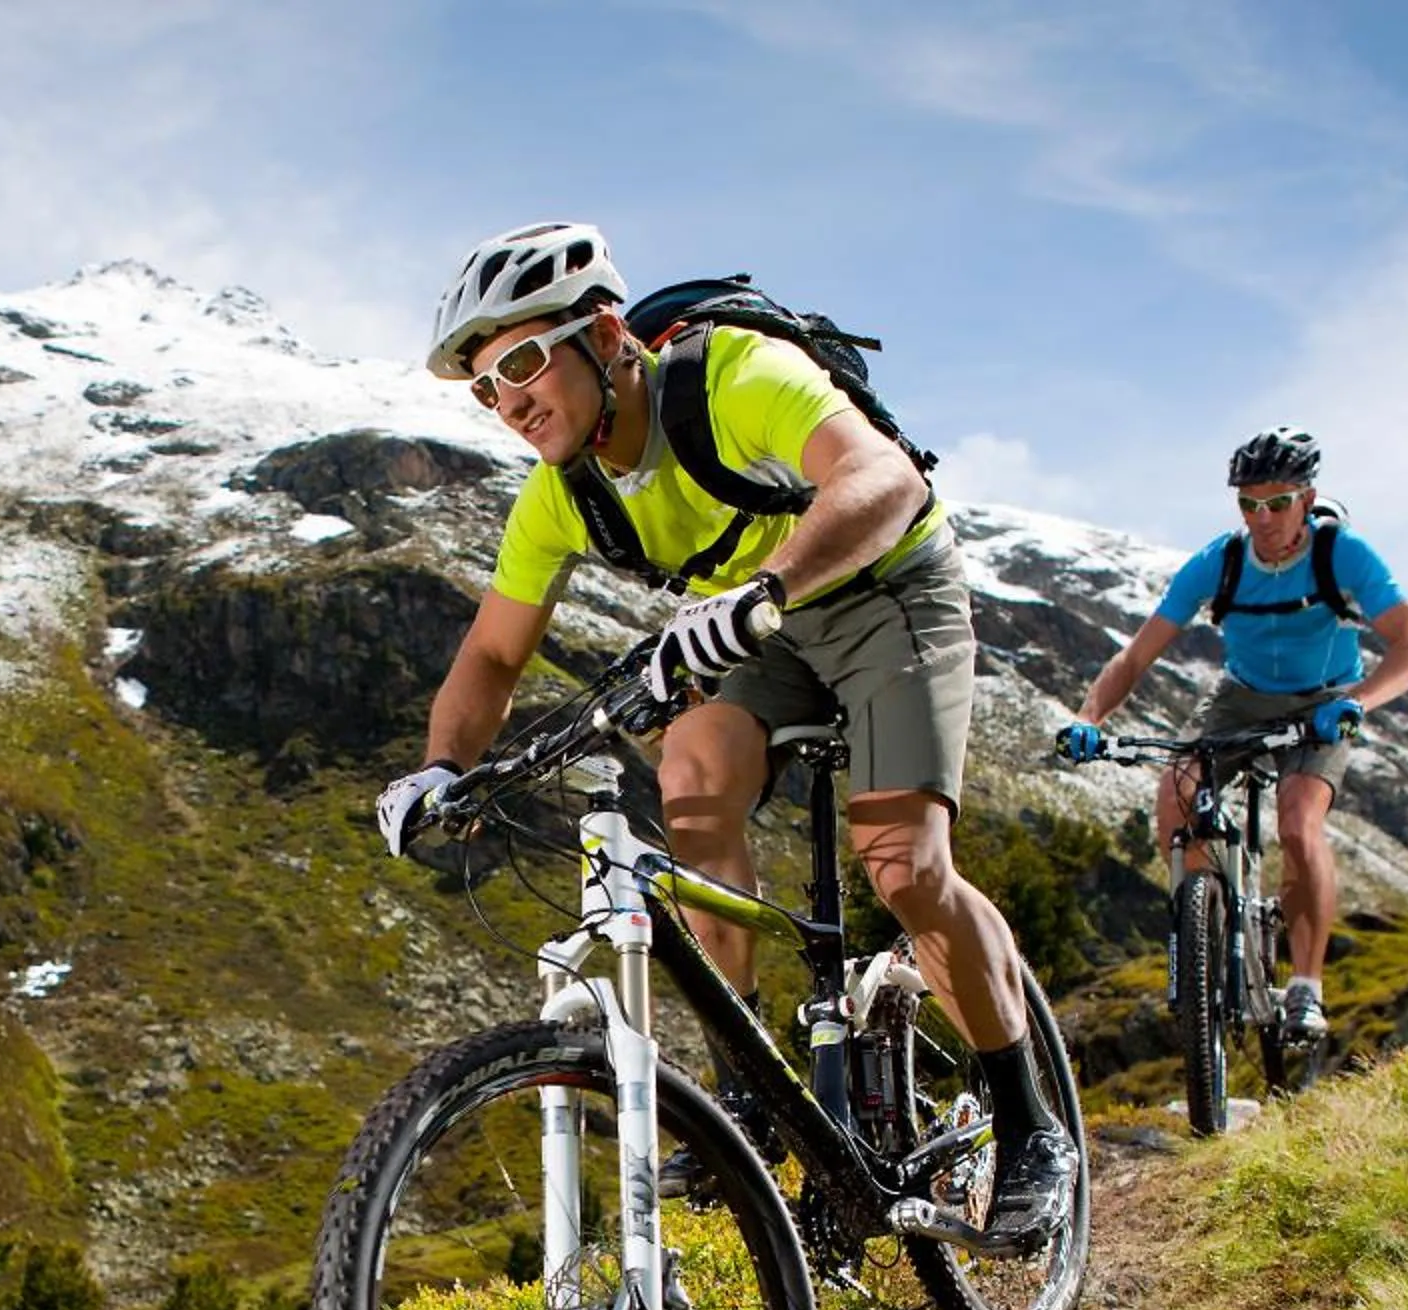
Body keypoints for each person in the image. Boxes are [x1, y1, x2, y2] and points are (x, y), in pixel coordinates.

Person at [372, 220, 1076, 1249]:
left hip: (882, 588)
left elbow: (883, 480)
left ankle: (1030, 1126)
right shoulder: (561, 494)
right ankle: (748, 1085)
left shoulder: (733, 377)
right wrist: (441, 768)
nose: (508, 402)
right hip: (757, 629)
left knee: (904, 866)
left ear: (602, 335)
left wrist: (767, 588)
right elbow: (491, 656)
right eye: (485, 389)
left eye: (520, 364)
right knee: (692, 787)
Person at [1054, 427, 1408, 1041]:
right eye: (1248, 504)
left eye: (1278, 503)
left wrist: (1355, 704)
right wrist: (1087, 719)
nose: (1262, 518)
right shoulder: (1221, 561)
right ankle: (1205, 932)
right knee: (1176, 790)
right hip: (1240, 697)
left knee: (1298, 821)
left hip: (1324, 700)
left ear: (1307, 499)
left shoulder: (1343, 554)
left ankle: (1306, 987)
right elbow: (1135, 657)